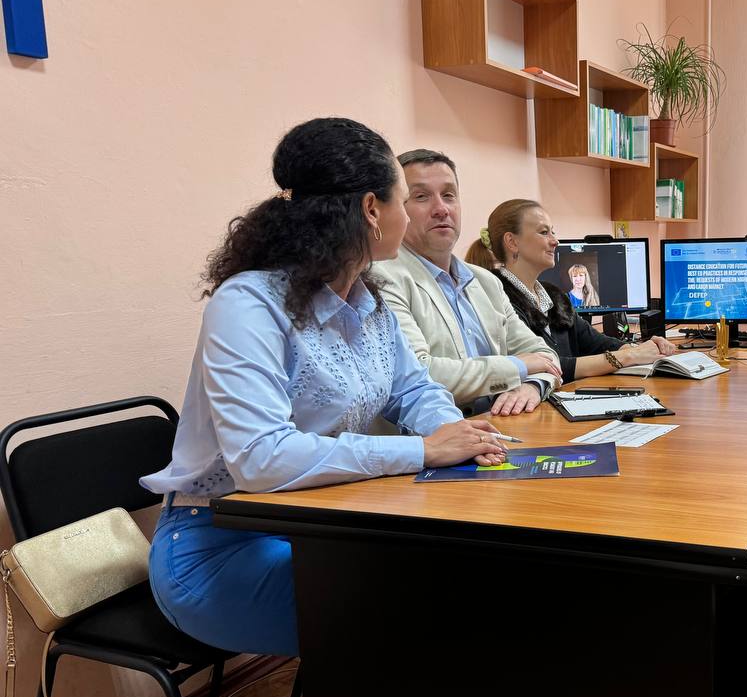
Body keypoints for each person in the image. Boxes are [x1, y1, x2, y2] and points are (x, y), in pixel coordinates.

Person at [141, 118, 509, 657]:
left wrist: (459, 434)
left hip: (321, 520)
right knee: (434, 605)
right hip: (220, 544)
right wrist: (425, 450)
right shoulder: (248, 303)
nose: (413, 214)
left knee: (472, 570)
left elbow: (413, 389)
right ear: (371, 209)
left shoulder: (366, 300)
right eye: (406, 198)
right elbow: (261, 459)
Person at [373, 149, 561, 418]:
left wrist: (532, 385)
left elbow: (544, 354)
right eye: (421, 196)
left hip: (503, 424)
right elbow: (419, 373)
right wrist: (518, 367)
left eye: (449, 195)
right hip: (434, 435)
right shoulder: (380, 279)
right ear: (397, 208)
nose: (441, 209)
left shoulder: (486, 281)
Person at [466, 199, 678, 382]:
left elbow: (595, 342)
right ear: (512, 242)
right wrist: (630, 357)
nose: (555, 241)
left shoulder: (553, 295)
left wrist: (642, 349)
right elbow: (550, 366)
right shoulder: (498, 298)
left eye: (553, 231)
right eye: (544, 232)